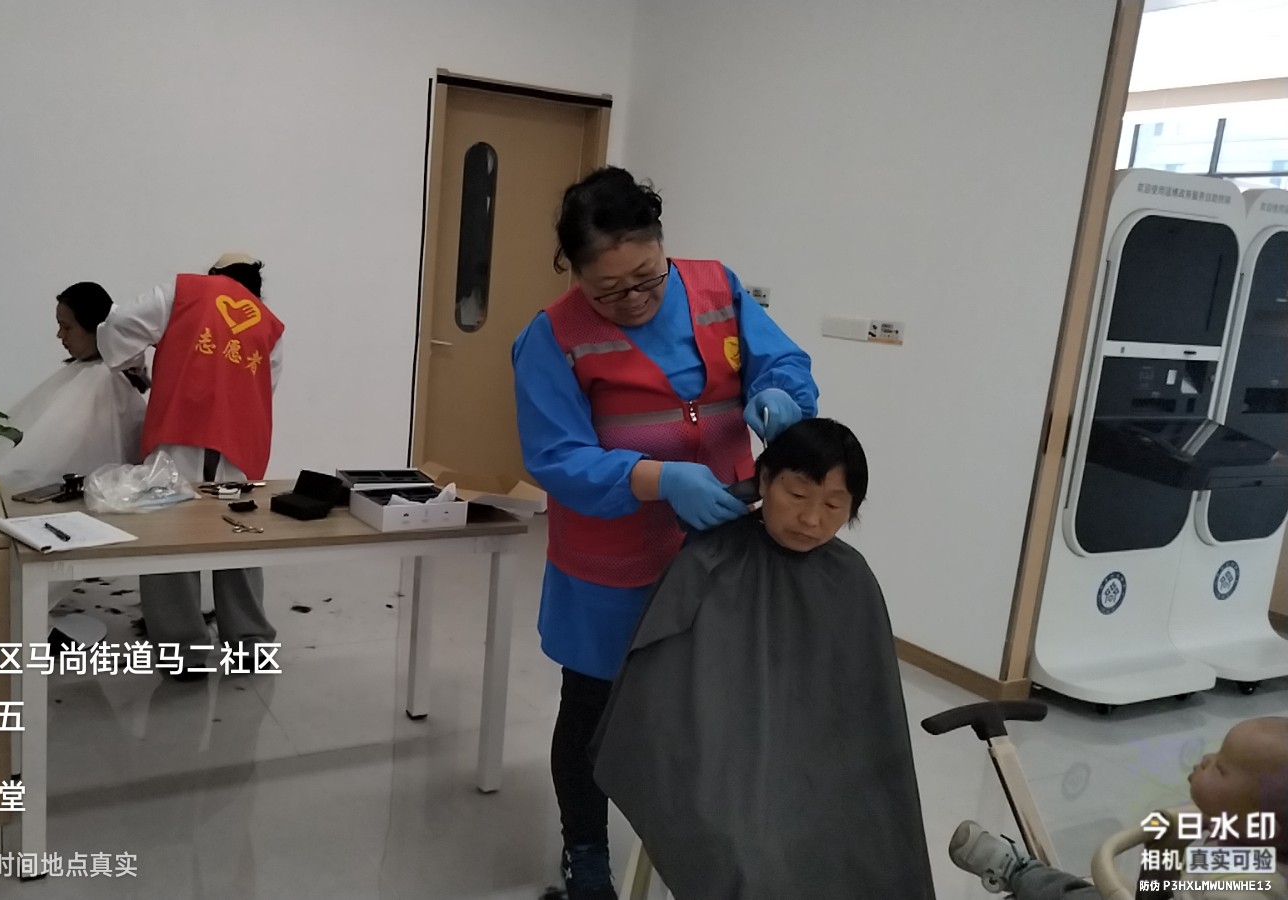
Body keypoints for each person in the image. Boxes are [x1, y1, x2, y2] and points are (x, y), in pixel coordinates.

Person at [512, 166, 819, 900]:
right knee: (592, 709)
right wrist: (657, 478)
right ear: (573, 272)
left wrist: (780, 394)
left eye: (647, 276)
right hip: (609, 561)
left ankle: (703, 839)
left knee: (710, 701)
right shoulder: (551, 338)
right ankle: (587, 853)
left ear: (662, 244)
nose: (634, 299)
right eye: (608, 289)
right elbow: (556, 455)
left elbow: (781, 359)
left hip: (719, 547)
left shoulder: (716, 288)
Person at [591, 418, 936, 898]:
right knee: (746, 857)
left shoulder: (852, 579)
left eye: (833, 505)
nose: (812, 519)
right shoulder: (709, 563)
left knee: (879, 842)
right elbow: (663, 703)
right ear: (764, 480)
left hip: (821, 765)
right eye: (797, 495)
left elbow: (869, 715)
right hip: (718, 758)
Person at [96, 252, 285, 681]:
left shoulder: (181, 292)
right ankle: (250, 646)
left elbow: (119, 324)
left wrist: (134, 367)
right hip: (238, 445)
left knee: (169, 540)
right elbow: (265, 388)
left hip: (180, 433)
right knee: (238, 538)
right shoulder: (269, 323)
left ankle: (183, 654)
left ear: (214, 274)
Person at [951, 716, 1288, 899]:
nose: (1206, 759)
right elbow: (1158, 879)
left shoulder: (1246, 887)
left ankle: (1021, 873)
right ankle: (1020, 872)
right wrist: (1162, 846)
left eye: (1222, 768)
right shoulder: (1238, 832)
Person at [0, 281, 147, 494]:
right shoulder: (91, 372)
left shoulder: (106, 379)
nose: (60, 335)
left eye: (67, 327)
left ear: (94, 327)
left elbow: (66, 454)